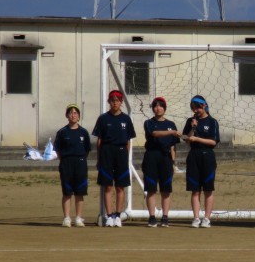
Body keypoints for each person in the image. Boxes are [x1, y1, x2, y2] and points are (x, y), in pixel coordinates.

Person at [92, 90, 136, 227]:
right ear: (109, 102)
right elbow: (99, 140)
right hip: (106, 152)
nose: (115, 103)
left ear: (121, 102)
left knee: (120, 187)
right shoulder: (103, 118)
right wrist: (99, 158)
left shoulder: (126, 119)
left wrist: (126, 156)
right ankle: (109, 216)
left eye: (117, 100)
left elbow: (128, 141)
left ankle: (118, 215)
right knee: (108, 186)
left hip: (121, 153)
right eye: (112, 100)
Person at [142, 97, 181, 228]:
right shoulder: (149, 122)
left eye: (161, 106)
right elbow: (155, 133)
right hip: (151, 157)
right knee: (151, 189)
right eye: (156, 106)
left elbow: (173, 146)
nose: (158, 108)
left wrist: (173, 162)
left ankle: (165, 217)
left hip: (166, 158)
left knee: (166, 189)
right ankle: (152, 217)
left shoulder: (171, 124)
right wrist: (172, 132)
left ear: (165, 108)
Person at [183, 95, 220, 228]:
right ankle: (196, 218)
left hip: (208, 156)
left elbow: (213, 142)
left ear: (204, 106)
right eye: (193, 108)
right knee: (195, 190)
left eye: (198, 108)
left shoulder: (212, 122)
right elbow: (187, 140)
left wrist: (197, 139)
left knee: (208, 189)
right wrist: (193, 128)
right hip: (194, 156)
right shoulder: (191, 121)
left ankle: (207, 218)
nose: (196, 111)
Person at [54, 104, 91, 227]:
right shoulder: (62, 132)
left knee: (80, 192)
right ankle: (67, 218)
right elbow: (58, 150)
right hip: (66, 163)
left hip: (80, 163)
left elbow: (87, 150)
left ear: (79, 116)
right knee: (67, 192)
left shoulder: (83, 132)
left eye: (75, 113)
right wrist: (66, 159)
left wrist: (80, 159)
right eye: (70, 113)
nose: (73, 115)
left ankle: (78, 218)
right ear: (67, 115)